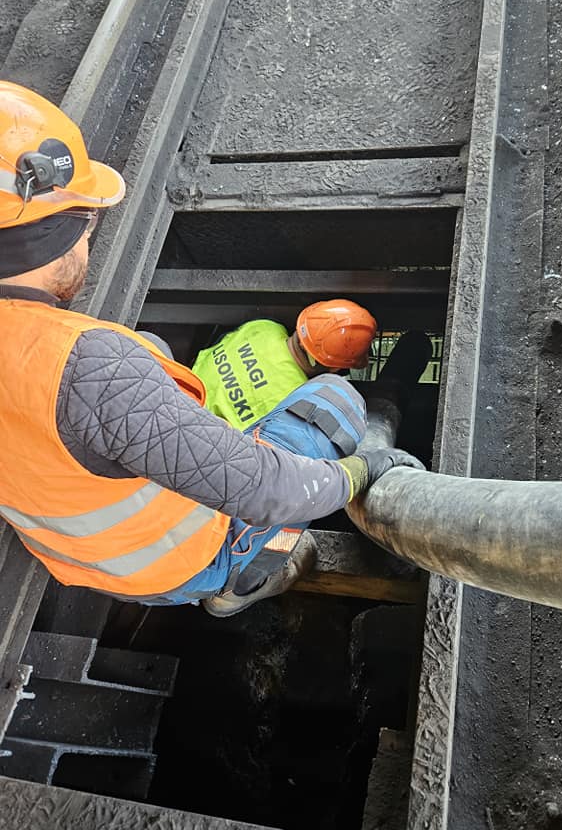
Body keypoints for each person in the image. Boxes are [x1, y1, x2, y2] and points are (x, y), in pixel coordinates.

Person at [0, 80, 423, 618]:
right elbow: (272, 491)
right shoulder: (91, 370)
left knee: (148, 347)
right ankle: (242, 578)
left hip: (74, 560)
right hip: (176, 565)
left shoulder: (255, 335)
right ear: (44, 235)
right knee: (335, 404)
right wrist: (365, 468)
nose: (88, 240)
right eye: (86, 222)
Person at [192, 299, 378, 432]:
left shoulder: (264, 327)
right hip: (207, 439)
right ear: (336, 369)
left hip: (183, 392)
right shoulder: (299, 397)